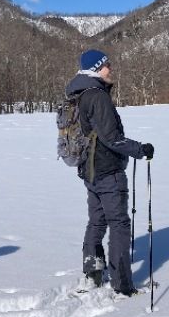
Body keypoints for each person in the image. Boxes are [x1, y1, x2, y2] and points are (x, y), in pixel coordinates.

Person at [65, 50, 155, 296]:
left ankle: (93, 274)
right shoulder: (97, 96)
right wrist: (140, 150)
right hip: (106, 170)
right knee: (119, 224)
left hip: (90, 171)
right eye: (106, 65)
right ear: (95, 68)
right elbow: (112, 138)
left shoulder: (80, 93)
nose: (110, 68)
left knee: (97, 221)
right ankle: (122, 284)